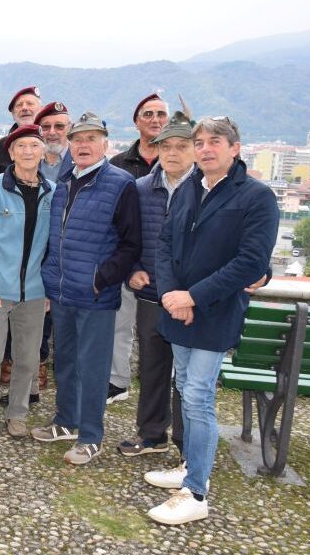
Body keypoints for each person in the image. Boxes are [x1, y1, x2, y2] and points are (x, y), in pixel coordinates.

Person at [146, 116, 278, 525]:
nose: (205, 148)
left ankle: (197, 492)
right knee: (184, 387)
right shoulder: (189, 187)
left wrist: (193, 296)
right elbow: (165, 243)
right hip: (179, 312)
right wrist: (172, 295)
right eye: (199, 142)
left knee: (199, 397)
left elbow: (250, 263)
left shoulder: (257, 196)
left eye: (214, 141)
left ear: (234, 148)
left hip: (215, 314)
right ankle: (190, 466)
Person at [32, 111, 141, 465]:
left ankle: (91, 436)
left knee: (93, 369)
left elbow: (130, 243)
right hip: (62, 292)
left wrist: (101, 278)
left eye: (91, 139)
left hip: (95, 295)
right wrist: (50, 279)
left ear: (105, 145)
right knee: (65, 361)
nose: (83, 145)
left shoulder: (120, 183)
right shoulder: (63, 182)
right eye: (78, 139)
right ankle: (66, 421)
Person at [0, 125, 54, 437]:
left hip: (34, 291)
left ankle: (17, 414)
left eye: (34, 145)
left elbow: (55, 247)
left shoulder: (52, 194)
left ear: (43, 152)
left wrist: (49, 288)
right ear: (11, 153)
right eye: (21, 146)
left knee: (27, 359)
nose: (28, 152)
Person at [117, 111, 194, 459]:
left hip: (192, 298)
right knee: (152, 368)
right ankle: (151, 435)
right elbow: (126, 237)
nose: (173, 153)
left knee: (190, 377)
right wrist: (131, 268)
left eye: (182, 146)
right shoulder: (141, 188)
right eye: (167, 146)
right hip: (150, 295)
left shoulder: (205, 190)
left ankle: (187, 443)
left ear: (194, 150)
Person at [107, 93, 169, 404]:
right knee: (120, 323)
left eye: (160, 114)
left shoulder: (178, 162)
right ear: (136, 122)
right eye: (148, 114)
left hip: (166, 265)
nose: (155, 119)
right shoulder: (118, 164)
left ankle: (157, 384)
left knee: (161, 333)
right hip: (127, 261)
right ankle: (118, 381)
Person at [0, 86, 42, 174]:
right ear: (13, 115)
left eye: (30, 103)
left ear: (41, 110)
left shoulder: (52, 141)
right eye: (19, 105)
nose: (24, 108)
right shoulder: (1, 147)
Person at [35, 101, 74, 183]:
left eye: (59, 126)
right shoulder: (31, 161)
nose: (52, 132)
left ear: (70, 129)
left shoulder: (81, 161)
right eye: (46, 127)